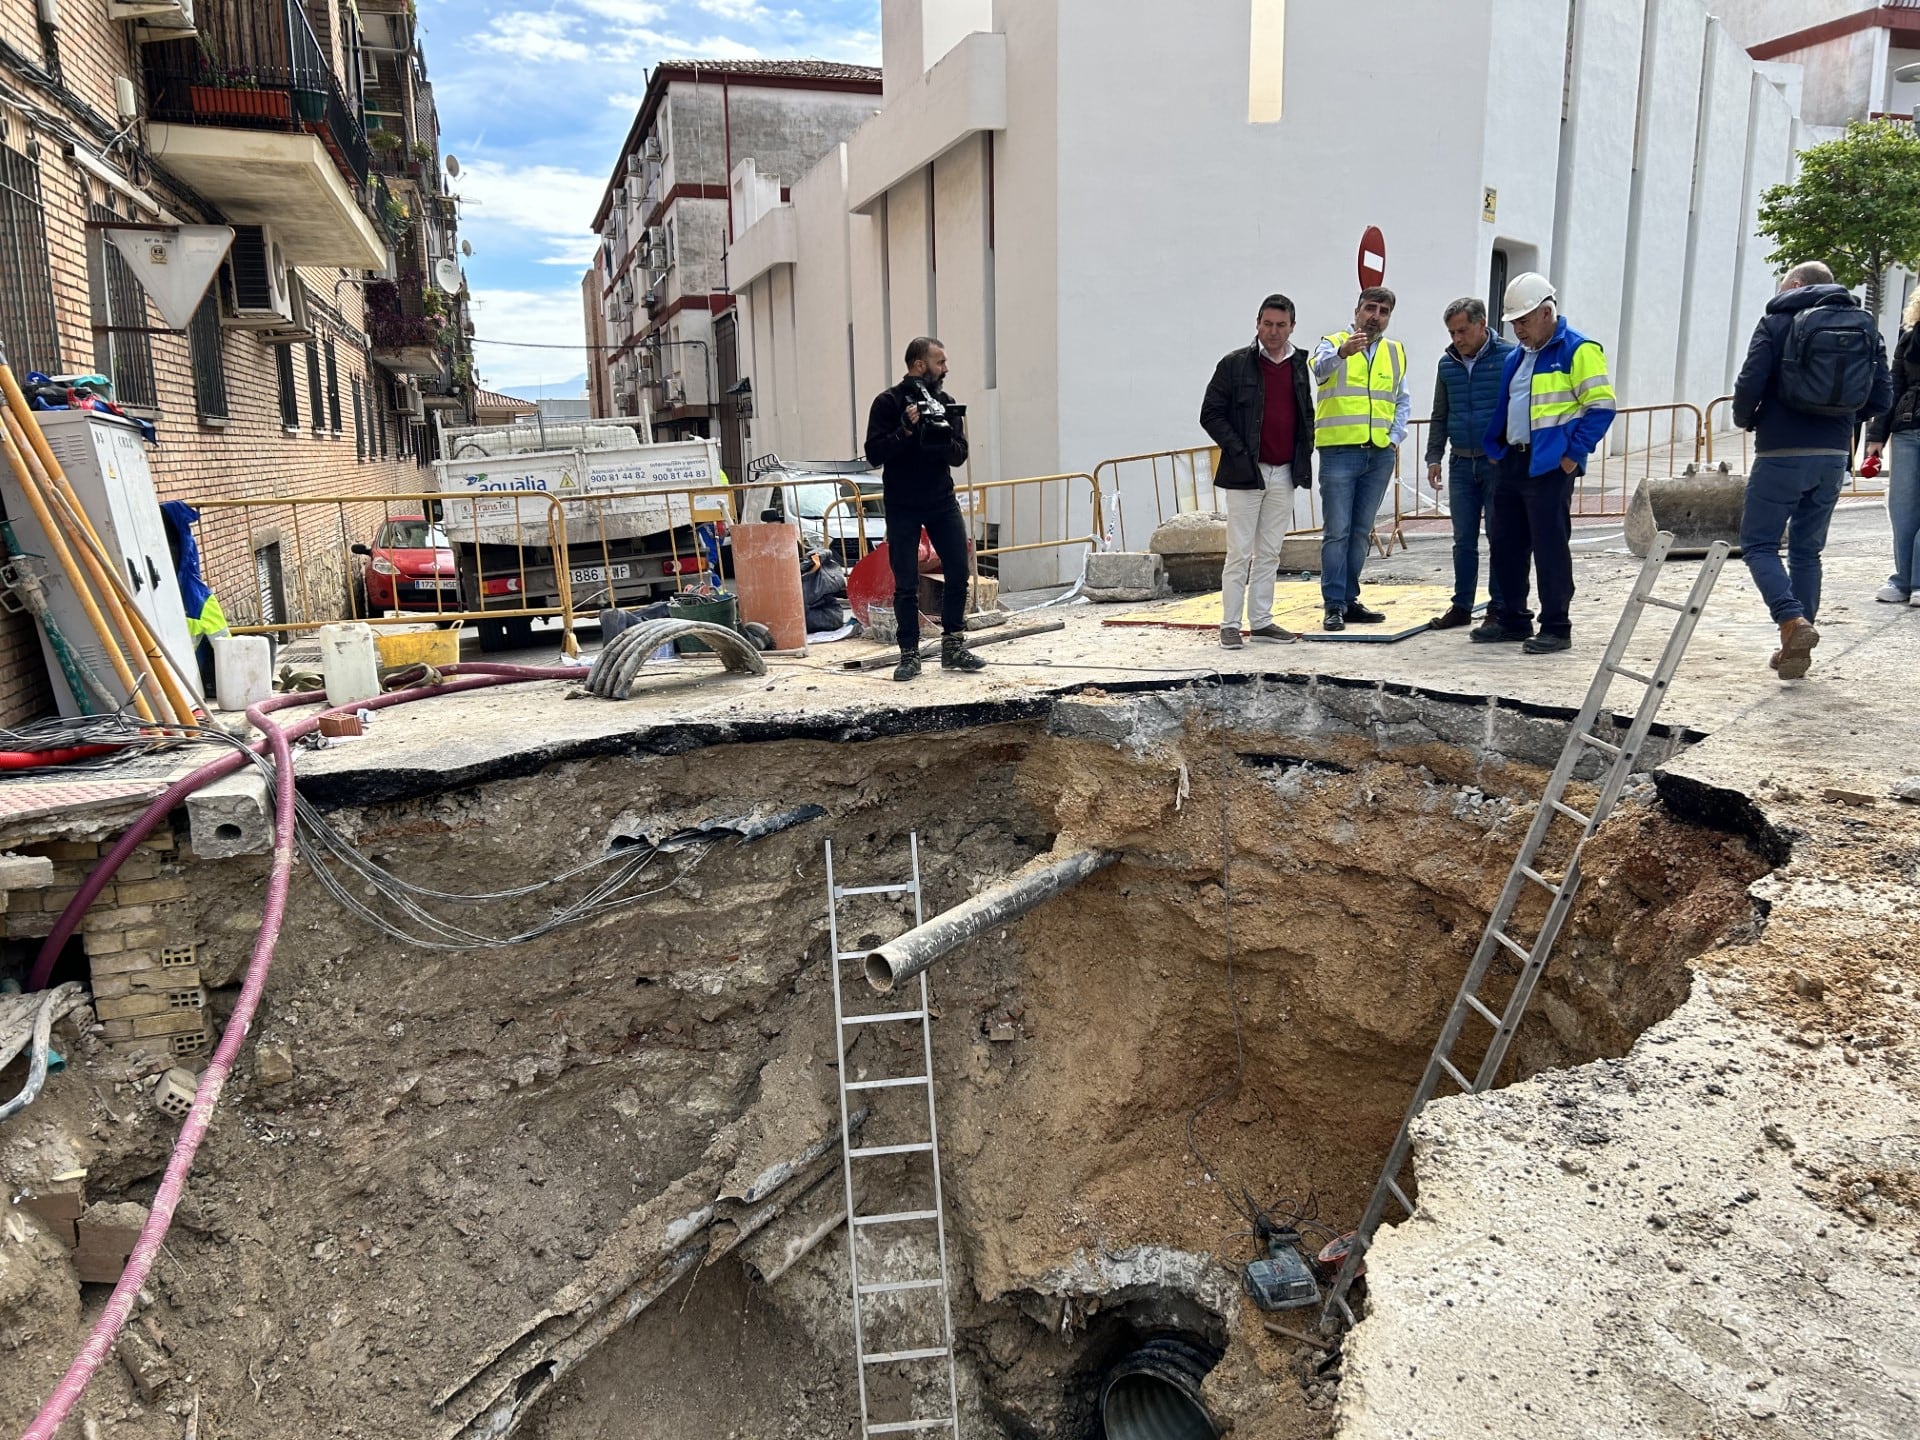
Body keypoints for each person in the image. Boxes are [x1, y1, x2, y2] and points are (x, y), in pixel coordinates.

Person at [1732, 261, 1892, 679]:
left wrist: (1746, 418)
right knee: (1807, 550)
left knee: (1759, 543)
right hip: (1834, 451)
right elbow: (1882, 396)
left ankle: (1790, 620)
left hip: (1781, 449)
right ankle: (1794, 651)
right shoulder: (1865, 325)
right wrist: (1845, 418)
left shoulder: (1775, 321)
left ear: (1797, 285)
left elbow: (1750, 381)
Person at [1478, 273, 1616, 654]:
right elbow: (1509, 406)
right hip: (1513, 461)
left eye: (1524, 320)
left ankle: (1556, 625)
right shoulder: (1518, 357)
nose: (1518, 329)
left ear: (1547, 312)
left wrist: (1573, 455)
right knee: (1506, 543)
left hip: (1550, 466)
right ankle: (1514, 618)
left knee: (1550, 545)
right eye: (1514, 322)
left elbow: (1601, 406)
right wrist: (1497, 447)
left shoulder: (1579, 349)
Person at [863, 336, 984, 681]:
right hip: (903, 505)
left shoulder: (945, 402)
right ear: (919, 365)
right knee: (905, 582)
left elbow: (959, 455)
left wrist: (941, 430)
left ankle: (953, 646)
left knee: (958, 572)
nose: (945, 368)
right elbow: (874, 453)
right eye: (940, 362)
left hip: (941, 501)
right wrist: (905, 429)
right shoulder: (887, 403)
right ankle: (909, 655)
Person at [1199, 293, 1315, 648]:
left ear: (1292, 326)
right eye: (1267, 324)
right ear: (1257, 324)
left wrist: (1303, 453)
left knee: (1270, 551)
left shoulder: (1298, 365)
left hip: (1284, 472)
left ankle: (1262, 621)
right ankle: (1230, 623)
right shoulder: (1235, 365)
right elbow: (1211, 414)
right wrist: (1238, 451)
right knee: (1238, 551)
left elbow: (1304, 413)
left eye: (1281, 325)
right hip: (1246, 473)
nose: (1273, 331)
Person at [1310, 287, 1409, 631]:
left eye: (1383, 311)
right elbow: (1319, 370)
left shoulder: (1395, 352)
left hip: (1378, 454)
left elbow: (1402, 399)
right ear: (1356, 311)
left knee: (1361, 532)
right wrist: (1342, 352)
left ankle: (1349, 599)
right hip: (1339, 452)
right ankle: (1333, 603)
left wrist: (1394, 439)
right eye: (1370, 308)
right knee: (1337, 531)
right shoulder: (1332, 341)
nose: (1375, 316)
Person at [1424, 297, 1512, 629]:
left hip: (1497, 464)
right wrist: (1435, 456)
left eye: (1462, 331)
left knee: (1499, 536)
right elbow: (1439, 414)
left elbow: (1516, 407)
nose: (1457, 339)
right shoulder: (1447, 364)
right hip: (1461, 462)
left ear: (1481, 324)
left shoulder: (1508, 357)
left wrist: (1504, 447)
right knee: (1463, 539)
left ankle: (1498, 607)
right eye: (1451, 332)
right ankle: (1462, 605)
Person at [1864, 287, 1920, 608]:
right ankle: (1902, 580)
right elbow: (1893, 384)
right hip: (1908, 427)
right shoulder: (1911, 335)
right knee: (1902, 509)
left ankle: (1916, 581)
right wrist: (1876, 437)